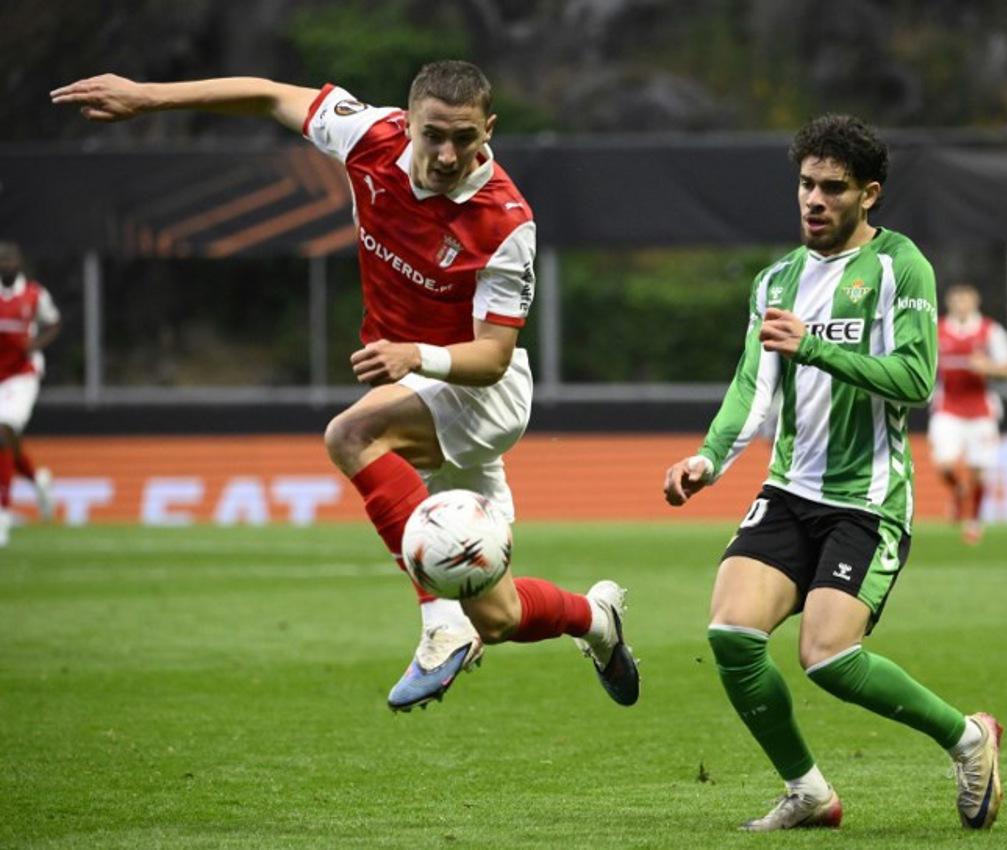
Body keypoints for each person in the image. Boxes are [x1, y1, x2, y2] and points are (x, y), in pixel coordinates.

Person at [52, 63, 638, 710]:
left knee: (351, 433)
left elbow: (494, 356)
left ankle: (438, 627)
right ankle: (597, 620)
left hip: (479, 394)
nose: (446, 154)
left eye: (464, 137)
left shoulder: (505, 221)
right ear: (408, 121)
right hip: (417, 384)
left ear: (488, 129)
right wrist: (148, 96)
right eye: (432, 134)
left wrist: (414, 353)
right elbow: (269, 95)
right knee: (496, 619)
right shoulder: (369, 135)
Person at [663, 115, 1002, 832]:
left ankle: (969, 739)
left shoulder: (899, 267)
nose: (813, 200)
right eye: (806, 184)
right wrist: (708, 459)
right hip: (789, 490)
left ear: (869, 194)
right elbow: (751, 388)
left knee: (827, 656)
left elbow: (914, 379)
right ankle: (809, 792)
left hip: (867, 501)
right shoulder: (776, 280)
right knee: (730, 635)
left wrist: (815, 345)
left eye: (832, 188)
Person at [930, 283, 1007, 543]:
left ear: (975, 303)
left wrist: (987, 367)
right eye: (956, 300)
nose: (961, 305)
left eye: (965, 300)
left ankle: (973, 521)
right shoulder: (938, 329)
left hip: (980, 410)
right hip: (949, 408)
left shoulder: (990, 330)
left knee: (979, 471)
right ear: (949, 303)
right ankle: (958, 491)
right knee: (944, 466)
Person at [0, 242, 60, 546]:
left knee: (3, 431)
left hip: (22, 376)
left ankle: (2, 516)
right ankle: (37, 480)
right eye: (2, 260)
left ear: (20, 262)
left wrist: (34, 346)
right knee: (5, 441)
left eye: (10, 259)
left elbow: (54, 322)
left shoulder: (35, 294)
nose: (6, 264)